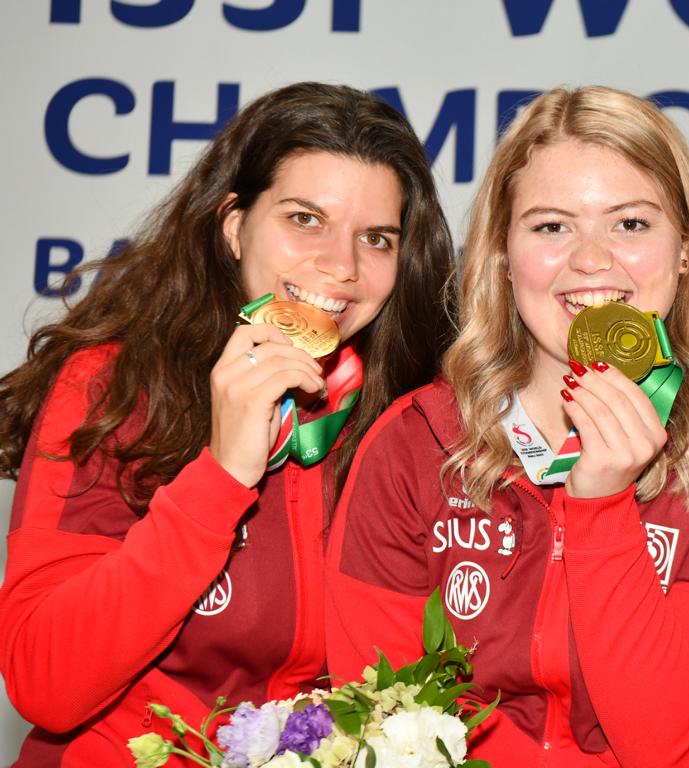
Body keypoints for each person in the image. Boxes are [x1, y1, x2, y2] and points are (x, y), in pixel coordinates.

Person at [326, 85, 689, 767]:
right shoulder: (415, 443)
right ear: (501, 254)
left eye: (631, 224)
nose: (590, 259)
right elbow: (369, 723)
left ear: (687, 251)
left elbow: (667, 742)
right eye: (551, 226)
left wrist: (602, 508)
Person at [0, 82, 455, 766]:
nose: (342, 265)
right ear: (234, 225)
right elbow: (46, 684)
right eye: (305, 219)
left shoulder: (410, 418)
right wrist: (220, 475)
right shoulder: (115, 387)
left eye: (377, 238)